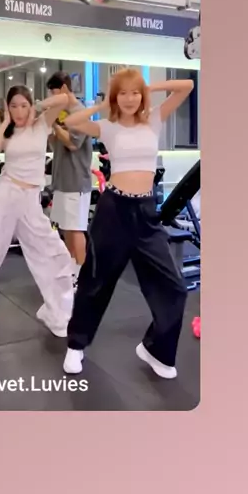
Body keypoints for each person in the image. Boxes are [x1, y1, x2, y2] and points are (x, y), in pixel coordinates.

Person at [61, 68, 194, 380]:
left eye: (135, 93)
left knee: (174, 288)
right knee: (95, 281)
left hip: (146, 212)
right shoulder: (108, 127)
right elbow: (71, 122)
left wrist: (148, 86)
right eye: (123, 93)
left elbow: (187, 85)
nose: (130, 99)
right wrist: (100, 106)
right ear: (115, 97)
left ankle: (155, 349)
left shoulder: (154, 118)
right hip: (114, 211)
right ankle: (76, 345)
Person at [0, 85, 75, 346]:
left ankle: (56, 314)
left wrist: (37, 106)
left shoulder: (42, 124)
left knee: (55, 254)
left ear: (31, 105)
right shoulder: (9, 131)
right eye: (13, 106)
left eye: (23, 105)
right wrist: (5, 120)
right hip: (4, 197)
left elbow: (65, 99)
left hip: (30, 202)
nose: (19, 111)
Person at [46, 71, 93, 284]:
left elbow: (73, 144)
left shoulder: (79, 112)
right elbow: (54, 144)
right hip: (61, 180)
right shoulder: (60, 114)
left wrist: (55, 126)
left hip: (76, 181)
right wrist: (50, 125)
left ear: (64, 89)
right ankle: (70, 269)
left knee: (76, 229)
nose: (53, 98)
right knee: (65, 228)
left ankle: (82, 277)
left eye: (55, 93)